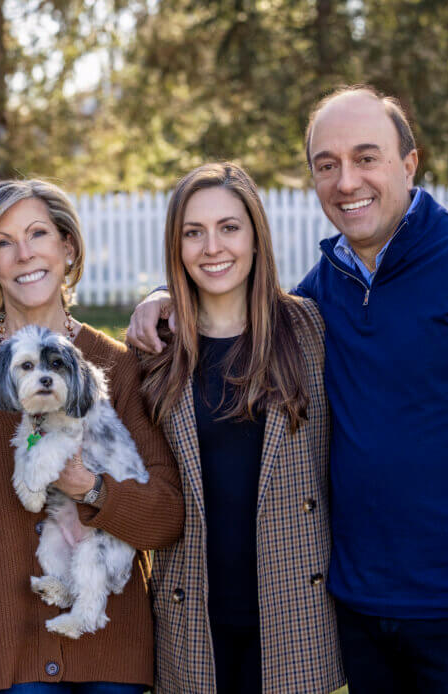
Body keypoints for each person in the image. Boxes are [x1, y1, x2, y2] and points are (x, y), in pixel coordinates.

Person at [128, 86, 448, 693]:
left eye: (367, 158)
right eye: (327, 164)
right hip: (357, 608)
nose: (347, 181)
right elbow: (236, 299)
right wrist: (164, 299)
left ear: (409, 162)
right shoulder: (322, 295)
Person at [0, 179, 185, 694]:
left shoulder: (118, 366)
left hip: (111, 648)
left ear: (67, 246)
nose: (24, 254)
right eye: (3, 242)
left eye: (39, 234)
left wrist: (90, 489)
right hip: (2, 649)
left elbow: (166, 513)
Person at [137, 162, 345, 693]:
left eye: (229, 227)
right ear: (176, 246)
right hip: (192, 614)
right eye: (193, 232)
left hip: (293, 610)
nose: (212, 247)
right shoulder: (156, 352)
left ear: (256, 236)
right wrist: (161, 299)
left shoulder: (310, 330)